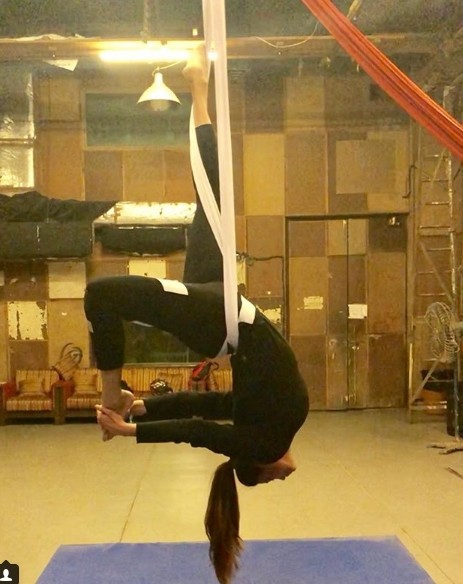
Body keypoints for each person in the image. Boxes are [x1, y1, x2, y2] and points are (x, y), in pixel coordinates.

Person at [84, 45, 309, 584]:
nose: (283, 477)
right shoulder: (267, 422)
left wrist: (130, 425)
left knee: (100, 296)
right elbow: (214, 403)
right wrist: (146, 409)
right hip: (226, 310)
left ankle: (111, 392)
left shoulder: (262, 441)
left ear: (259, 466)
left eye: (270, 480)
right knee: (212, 196)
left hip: (222, 320)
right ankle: (198, 88)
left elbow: (198, 428)